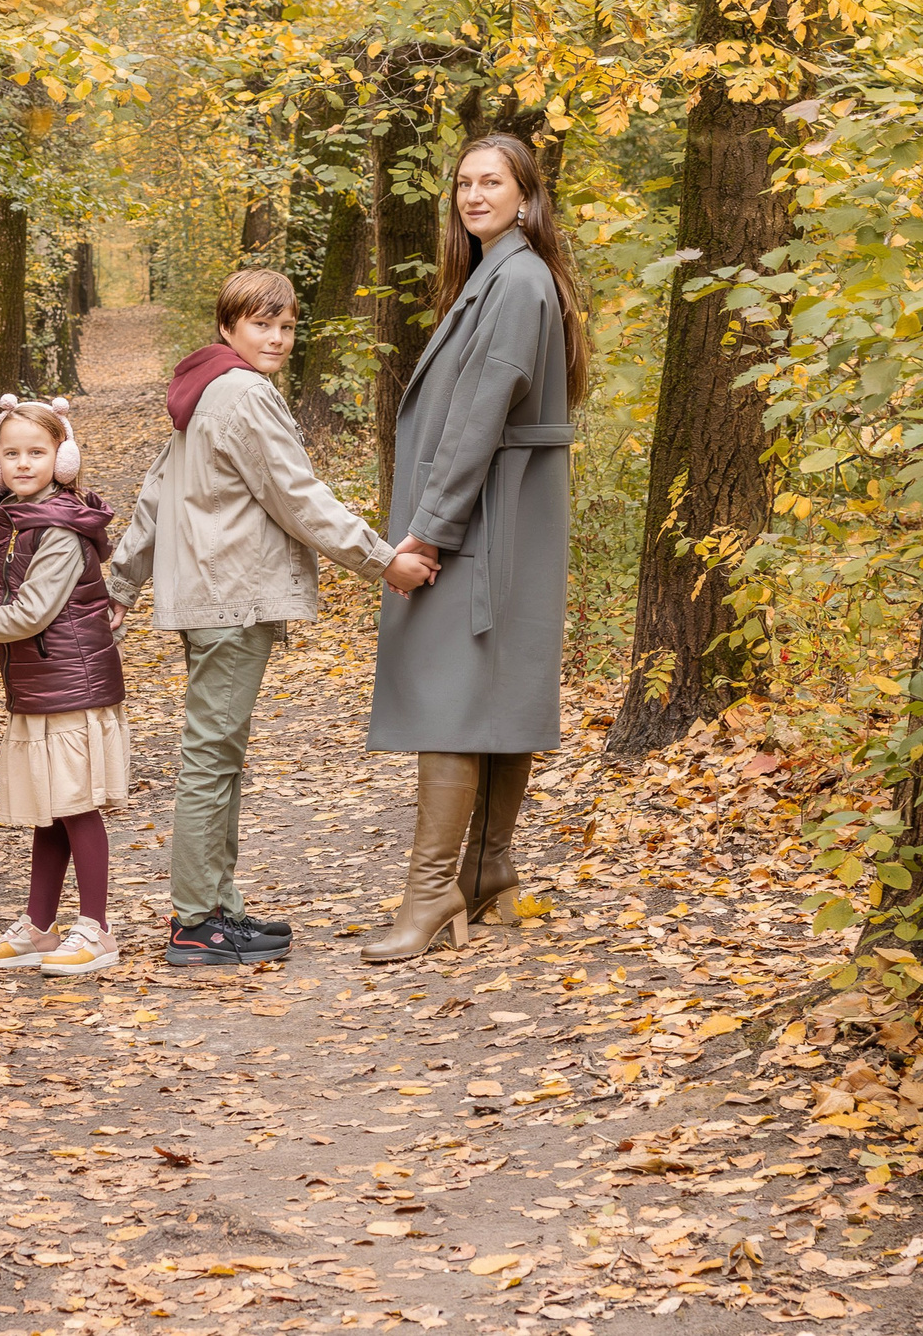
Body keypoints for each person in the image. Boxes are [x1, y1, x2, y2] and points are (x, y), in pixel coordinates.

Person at [111, 268, 439, 966]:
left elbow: (155, 493)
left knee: (219, 758)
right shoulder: (244, 395)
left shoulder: (202, 391)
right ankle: (196, 922)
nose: (278, 338)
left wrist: (122, 581)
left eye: (287, 326)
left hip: (214, 597)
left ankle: (217, 908)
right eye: (262, 323)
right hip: (231, 597)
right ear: (229, 326)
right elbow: (300, 497)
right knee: (210, 759)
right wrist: (383, 560)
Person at [363, 133, 592, 963]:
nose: (472, 195)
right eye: (462, 183)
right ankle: (487, 874)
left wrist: (429, 529)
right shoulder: (506, 275)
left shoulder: (517, 280)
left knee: (456, 691)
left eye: (490, 182)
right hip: (507, 515)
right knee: (491, 686)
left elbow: (476, 421)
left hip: (489, 516)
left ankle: (431, 898)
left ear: (527, 195)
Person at [0, 396, 132, 976]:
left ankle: (97, 929)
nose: (22, 463)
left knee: (75, 807)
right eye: (11, 453)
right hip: (40, 684)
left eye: (37, 451)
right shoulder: (16, 520)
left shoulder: (56, 527)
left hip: (70, 687)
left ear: (64, 457)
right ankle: (38, 926)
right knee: (50, 810)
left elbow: (31, 615)